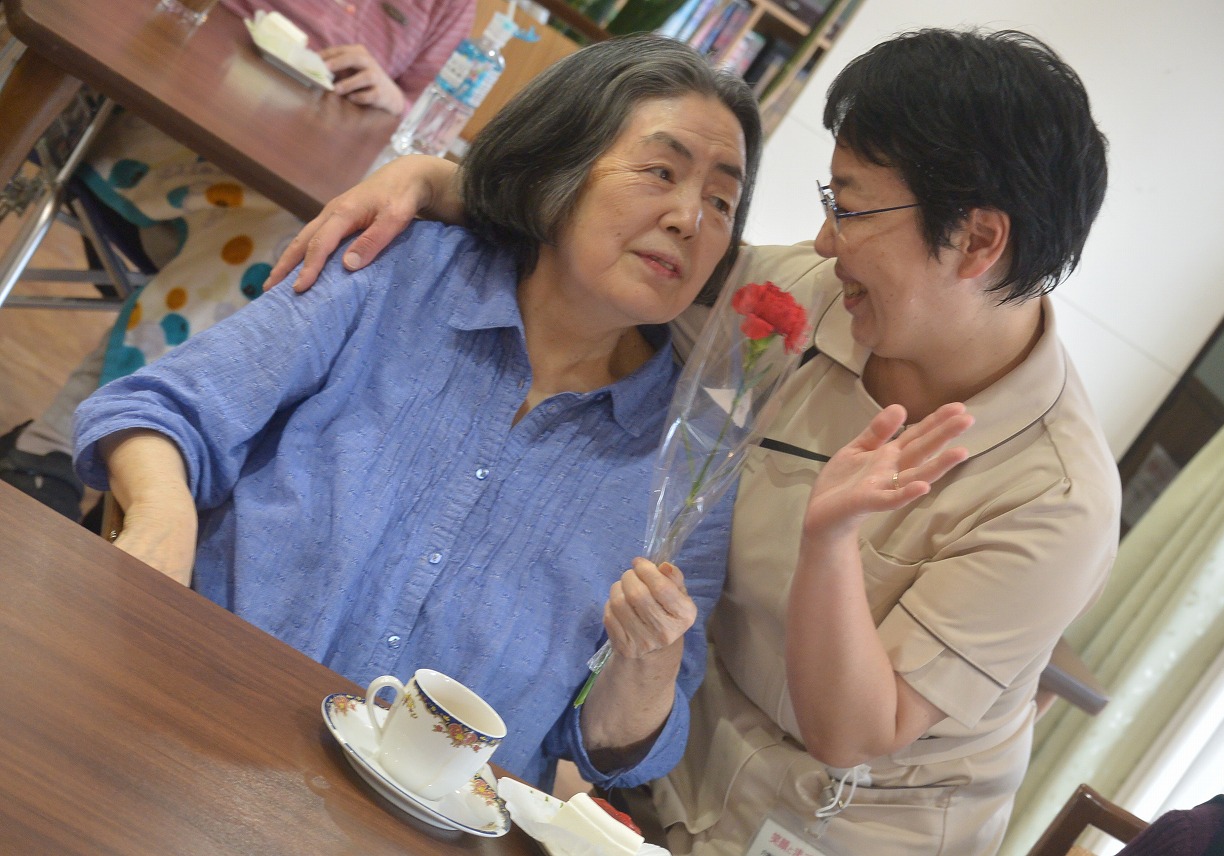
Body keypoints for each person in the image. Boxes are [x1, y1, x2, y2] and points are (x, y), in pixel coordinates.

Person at [263, 27, 1119, 856]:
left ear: (977, 240)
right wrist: (424, 178)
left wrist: (829, 543)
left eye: (852, 208)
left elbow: (855, 730)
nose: (826, 241)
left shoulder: (1056, 499)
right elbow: (613, 240)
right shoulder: (806, 296)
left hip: (827, 828)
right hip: (656, 771)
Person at [70, 35, 777, 795]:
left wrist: (649, 663)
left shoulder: (691, 459)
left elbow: (612, 746)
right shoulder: (398, 271)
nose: (689, 218)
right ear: (559, 167)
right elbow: (163, 408)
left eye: (721, 202)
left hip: (413, 824)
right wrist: (163, 513)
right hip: (189, 721)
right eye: (660, 172)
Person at [0, 0, 474, 520]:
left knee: (305, 249)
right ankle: (113, 468)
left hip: (272, 194)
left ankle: (102, 462)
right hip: (153, 122)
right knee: (287, 250)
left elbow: (425, 116)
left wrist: (394, 98)